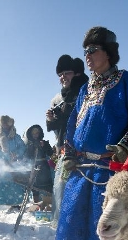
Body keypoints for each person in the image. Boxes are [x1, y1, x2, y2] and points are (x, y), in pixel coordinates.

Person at [54, 26, 128, 240]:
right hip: (82, 168)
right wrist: (69, 154)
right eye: (85, 51)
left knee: (105, 238)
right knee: (72, 236)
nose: (87, 55)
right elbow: (73, 122)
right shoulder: (86, 89)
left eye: (93, 50)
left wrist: (124, 147)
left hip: (110, 168)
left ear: (108, 52)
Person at [46, 54, 89, 226]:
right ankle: (64, 226)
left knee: (72, 188)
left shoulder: (86, 92)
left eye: (67, 73)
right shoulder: (60, 98)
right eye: (60, 75)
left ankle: (72, 226)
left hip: (83, 149)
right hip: (64, 148)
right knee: (61, 187)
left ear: (77, 73)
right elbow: (61, 127)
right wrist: (51, 120)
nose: (63, 77)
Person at [0, 115, 26, 213]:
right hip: (0, 163)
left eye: (7, 124)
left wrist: (16, 153)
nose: (5, 126)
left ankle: (15, 203)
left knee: (14, 183)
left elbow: (22, 147)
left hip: (12, 163)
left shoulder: (16, 136)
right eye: (3, 124)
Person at [22, 124, 54, 206]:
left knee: (47, 185)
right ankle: (36, 204)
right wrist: (32, 147)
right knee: (34, 186)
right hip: (34, 167)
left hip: (44, 167)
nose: (35, 135)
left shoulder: (45, 143)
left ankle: (48, 203)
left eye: (37, 133)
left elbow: (50, 153)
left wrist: (45, 146)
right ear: (30, 134)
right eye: (33, 134)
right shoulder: (29, 145)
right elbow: (26, 157)